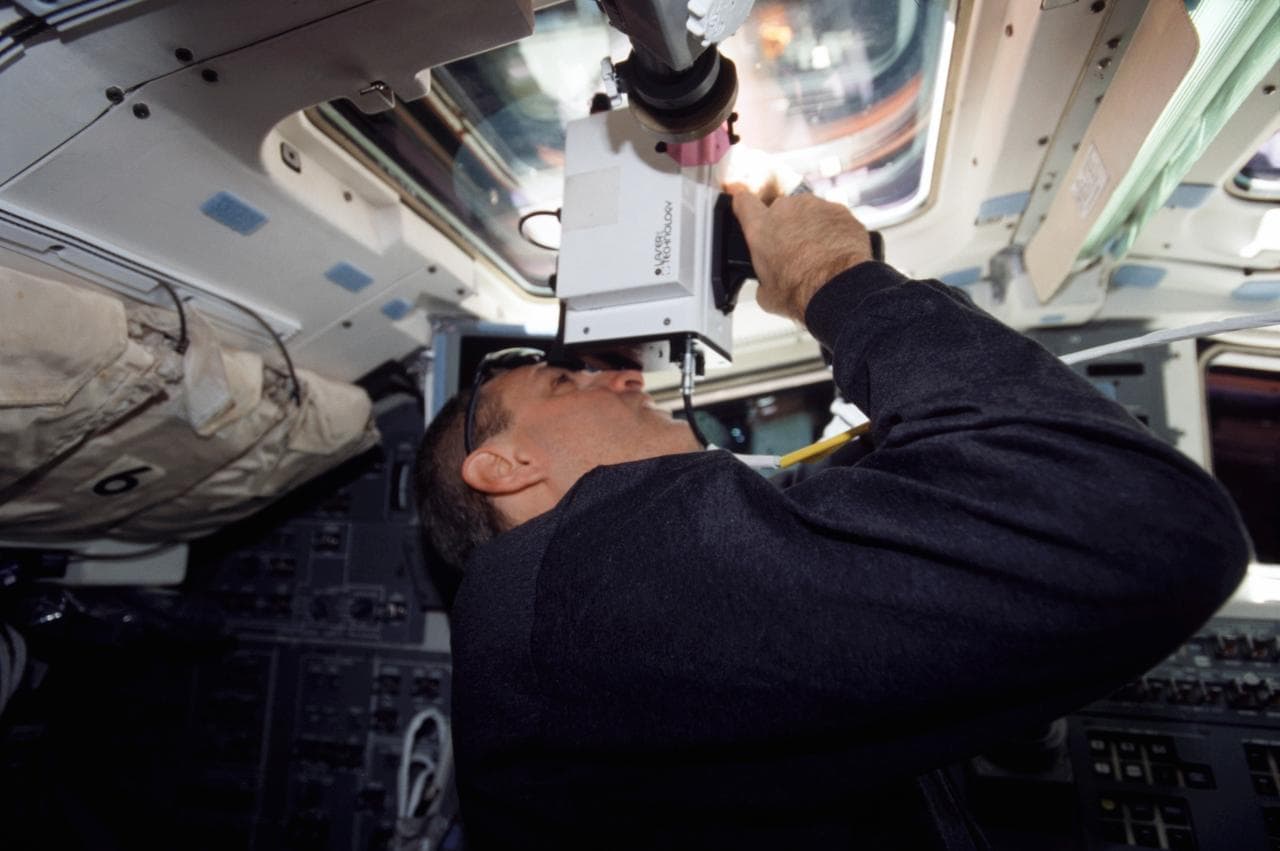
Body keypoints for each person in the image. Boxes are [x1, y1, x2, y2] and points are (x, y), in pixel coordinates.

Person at [413, 187, 1250, 849]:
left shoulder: (579, 623)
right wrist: (826, 275)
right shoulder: (581, 575)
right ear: (503, 467)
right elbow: (1140, 524)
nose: (624, 380)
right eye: (565, 384)